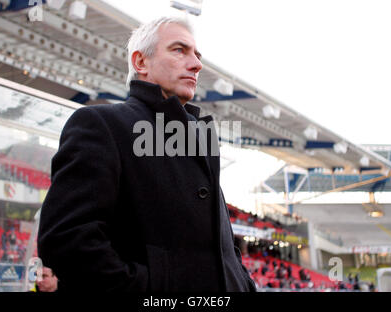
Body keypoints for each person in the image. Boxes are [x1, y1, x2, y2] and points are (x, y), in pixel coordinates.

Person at [37, 16, 256, 292]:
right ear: (141, 62)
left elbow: (223, 246)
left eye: (197, 55)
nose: (197, 64)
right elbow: (67, 241)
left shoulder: (199, 137)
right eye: (179, 50)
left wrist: (244, 283)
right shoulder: (102, 124)